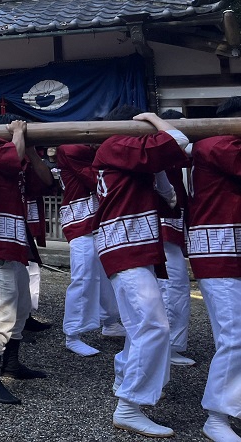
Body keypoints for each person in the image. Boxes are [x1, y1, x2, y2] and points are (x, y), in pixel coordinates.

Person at [94, 107, 189, 438]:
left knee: (141, 325)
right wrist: (153, 119)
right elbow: (178, 140)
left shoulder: (127, 157)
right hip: (124, 246)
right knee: (153, 325)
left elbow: (170, 196)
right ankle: (129, 405)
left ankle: (125, 383)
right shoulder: (116, 145)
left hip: (130, 245)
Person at [0, 115, 49, 404]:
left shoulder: (17, 154)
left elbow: (46, 180)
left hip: (13, 240)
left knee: (22, 306)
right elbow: (9, 159)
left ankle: (12, 364)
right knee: (2, 310)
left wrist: (29, 150)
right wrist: (17, 134)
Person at [186, 97, 241, 442]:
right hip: (217, 251)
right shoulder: (216, 143)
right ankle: (216, 416)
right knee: (234, 335)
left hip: (229, 250)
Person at [55, 142, 123, 357]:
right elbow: (96, 179)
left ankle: (111, 321)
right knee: (83, 276)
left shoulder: (90, 149)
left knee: (106, 274)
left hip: (98, 217)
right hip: (80, 218)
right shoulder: (71, 148)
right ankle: (72, 335)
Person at [156, 109, 195, 367]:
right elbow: (181, 143)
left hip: (169, 220)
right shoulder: (163, 148)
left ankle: (165, 345)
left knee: (166, 286)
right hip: (163, 221)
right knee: (174, 285)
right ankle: (167, 347)